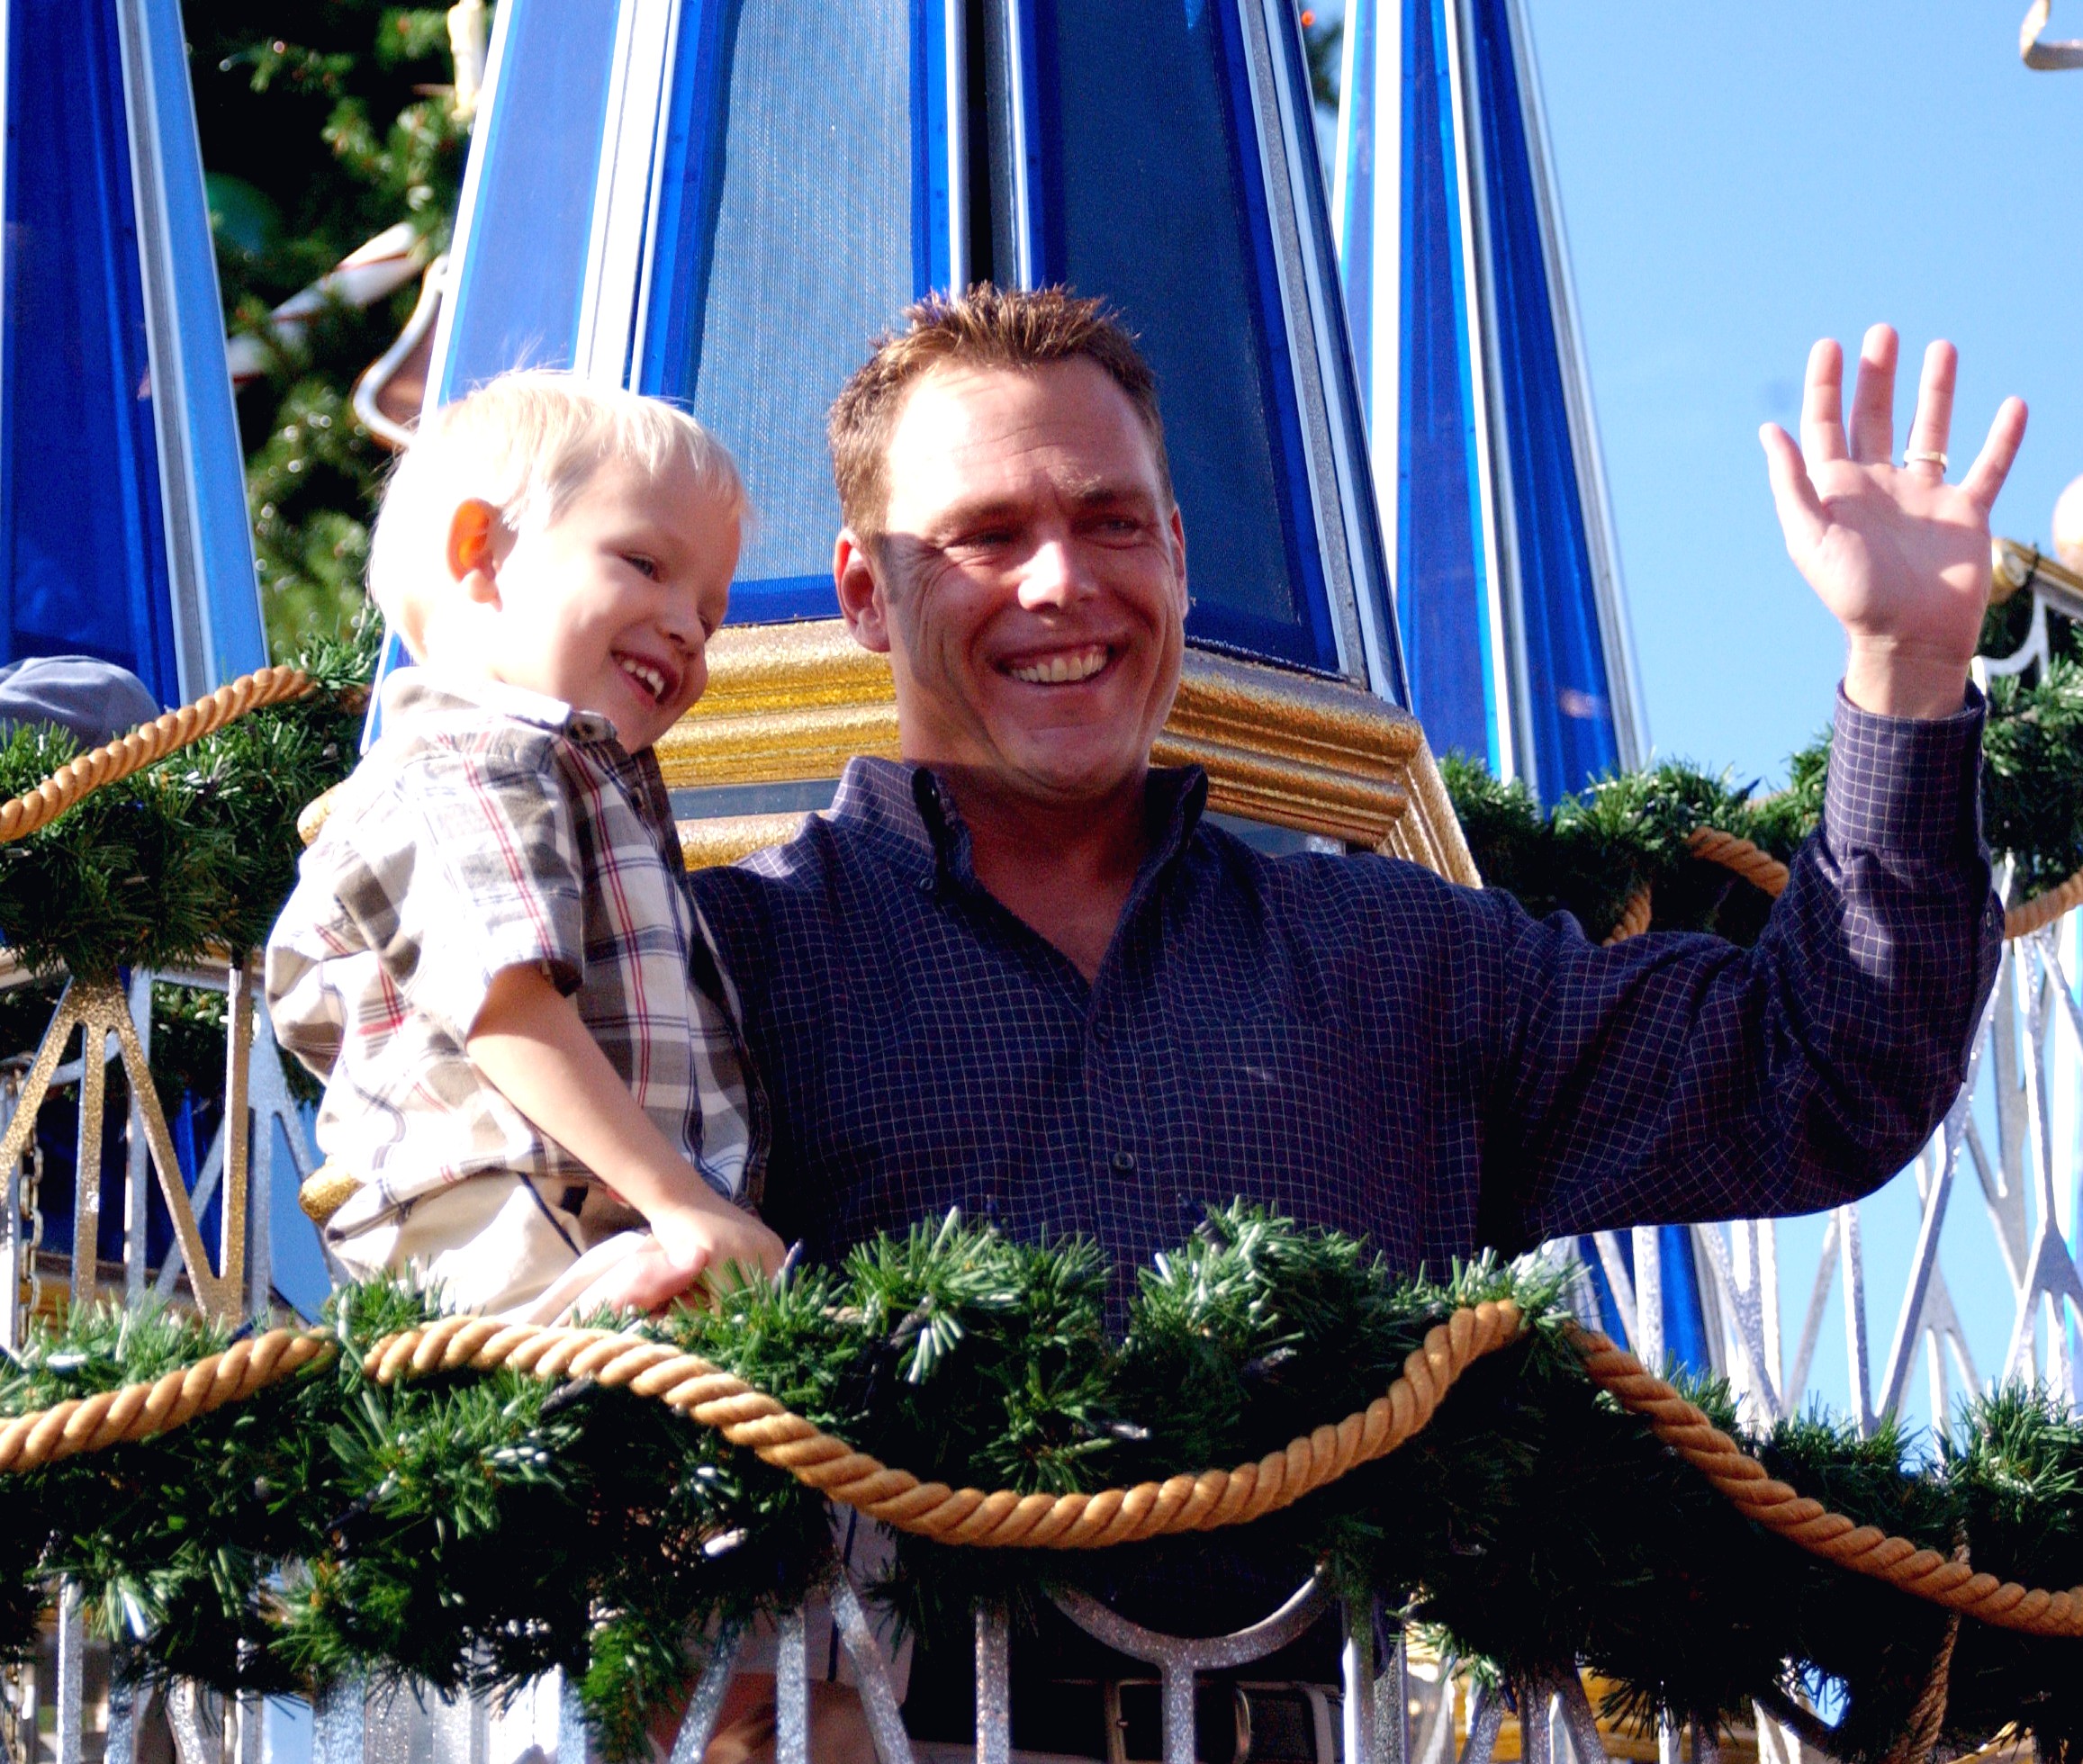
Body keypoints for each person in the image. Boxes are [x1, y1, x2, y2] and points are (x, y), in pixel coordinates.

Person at [687, 285, 2021, 1739]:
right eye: (982, 536)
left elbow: (1815, 1079)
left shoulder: (1393, 963)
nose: (1059, 579)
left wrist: (1903, 666)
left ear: (1178, 561)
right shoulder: (730, 968)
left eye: (1110, 520)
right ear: (864, 592)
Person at [266, 370, 786, 1321]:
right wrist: (678, 1201)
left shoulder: (565, 776)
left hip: (587, 1208)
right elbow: (506, 1007)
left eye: (710, 616)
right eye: (643, 562)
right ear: (481, 552)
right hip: (506, 1209)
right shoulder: (468, 760)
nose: (686, 625)